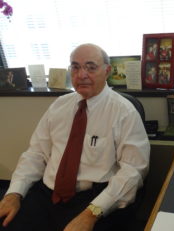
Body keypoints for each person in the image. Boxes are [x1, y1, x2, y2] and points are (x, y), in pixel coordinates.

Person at [0, 43, 150, 231]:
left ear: (107, 71)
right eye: (75, 67)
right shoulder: (59, 105)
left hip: (93, 198)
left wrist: (92, 213)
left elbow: (133, 171)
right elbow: (36, 154)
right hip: (46, 194)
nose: (81, 75)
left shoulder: (124, 112)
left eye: (91, 67)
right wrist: (13, 194)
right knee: (6, 223)